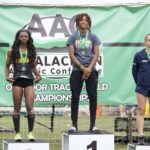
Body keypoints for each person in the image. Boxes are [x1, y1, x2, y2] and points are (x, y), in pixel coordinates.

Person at [5, 29, 41, 141]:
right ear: (18, 38)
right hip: (17, 81)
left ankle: (30, 133)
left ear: (29, 38)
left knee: (30, 107)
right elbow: (7, 66)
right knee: (17, 107)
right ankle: (17, 134)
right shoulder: (12, 51)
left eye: (26, 36)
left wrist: (38, 75)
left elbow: (33, 66)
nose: (24, 38)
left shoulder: (31, 50)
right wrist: (6, 76)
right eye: (22, 36)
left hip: (29, 80)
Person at [67, 13, 101, 133]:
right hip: (77, 70)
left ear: (88, 23)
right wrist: (82, 68)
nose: (83, 22)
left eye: (86, 20)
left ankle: (93, 126)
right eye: (81, 20)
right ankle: (74, 125)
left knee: (93, 97)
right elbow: (71, 55)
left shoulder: (93, 36)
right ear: (77, 22)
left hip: (91, 70)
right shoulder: (72, 37)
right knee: (75, 98)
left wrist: (89, 69)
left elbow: (96, 54)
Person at [132, 33, 150, 145]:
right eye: (148, 40)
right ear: (145, 42)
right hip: (142, 87)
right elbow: (134, 72)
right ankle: (141, 136)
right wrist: (139, 82)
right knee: (141, 110)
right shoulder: (139, 55)